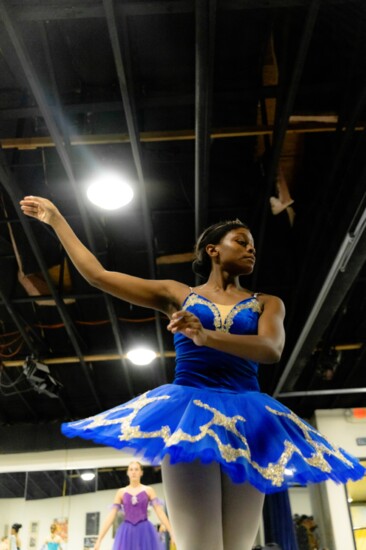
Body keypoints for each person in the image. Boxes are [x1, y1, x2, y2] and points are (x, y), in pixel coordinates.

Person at [20, 196, 366, 550]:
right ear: (212, 250)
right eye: (241, 242)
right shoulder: (178, 294)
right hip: (190, 414)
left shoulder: (267, 302)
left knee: (238, 546)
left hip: (250, 419)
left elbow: (271, 349)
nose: (251, 250)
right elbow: (98, 276)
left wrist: (205, 335)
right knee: (200, 545)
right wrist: (57, 219)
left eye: (253, 246)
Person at [93, 460, 173, 550]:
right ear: (127, 472)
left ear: (141, 472)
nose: (133, 472)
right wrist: (99, 539)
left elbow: (160, 512)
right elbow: (111, 517)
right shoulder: (121, 492)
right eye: (131, 469)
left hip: (144, 531)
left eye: (136, 469)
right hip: (127, 532)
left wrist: (171, 532)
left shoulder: (148, 490)